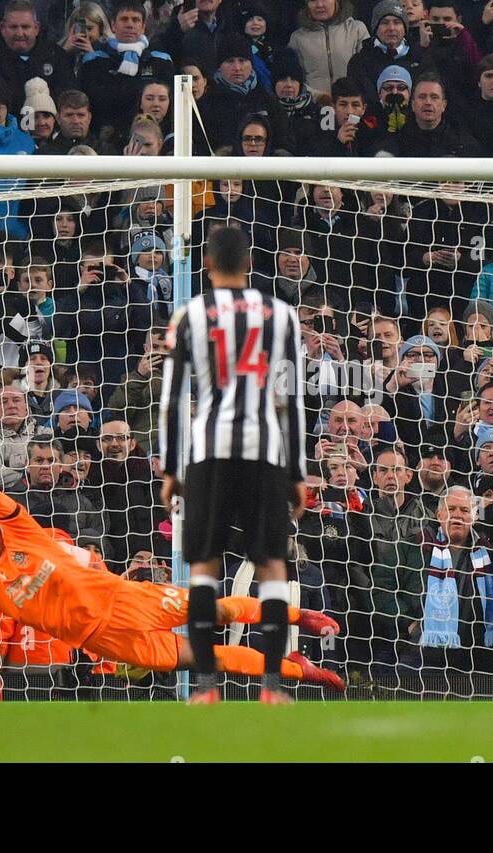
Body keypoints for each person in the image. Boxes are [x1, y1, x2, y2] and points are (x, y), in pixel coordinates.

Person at [0, 434, 343, 698]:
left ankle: (300, 617)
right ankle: (293, 666)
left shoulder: (25, 532)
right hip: (107, 639)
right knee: (212, 657)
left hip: (125, 599)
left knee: (216, 612)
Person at [158, 226, 313, 705]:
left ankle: (206, 686)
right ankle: (271, 686)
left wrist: (170, 468)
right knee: (270, 564)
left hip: (208, 453)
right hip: (264, 452)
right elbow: (291, 398)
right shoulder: (282, 315)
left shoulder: (189, 315)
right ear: (249, 262)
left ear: (206, 262)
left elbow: (170, 398)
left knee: (204, 564)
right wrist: (297, 471)